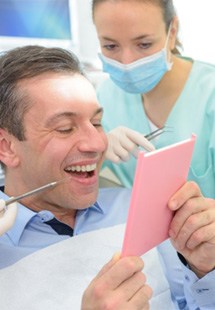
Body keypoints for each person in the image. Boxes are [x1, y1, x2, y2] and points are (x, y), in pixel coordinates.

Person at [0, 46, 215, 309]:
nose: (97, 143)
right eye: (65, 128)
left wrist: (205, 269)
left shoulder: (136, 208)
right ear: (6, 147)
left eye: (97, 123)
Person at [92, 0, 215, 192]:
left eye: (144, 44)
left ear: (172, 32)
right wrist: (98, 153)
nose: (127, 61)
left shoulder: (209, 95)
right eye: (110, 46)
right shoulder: (104, 98)